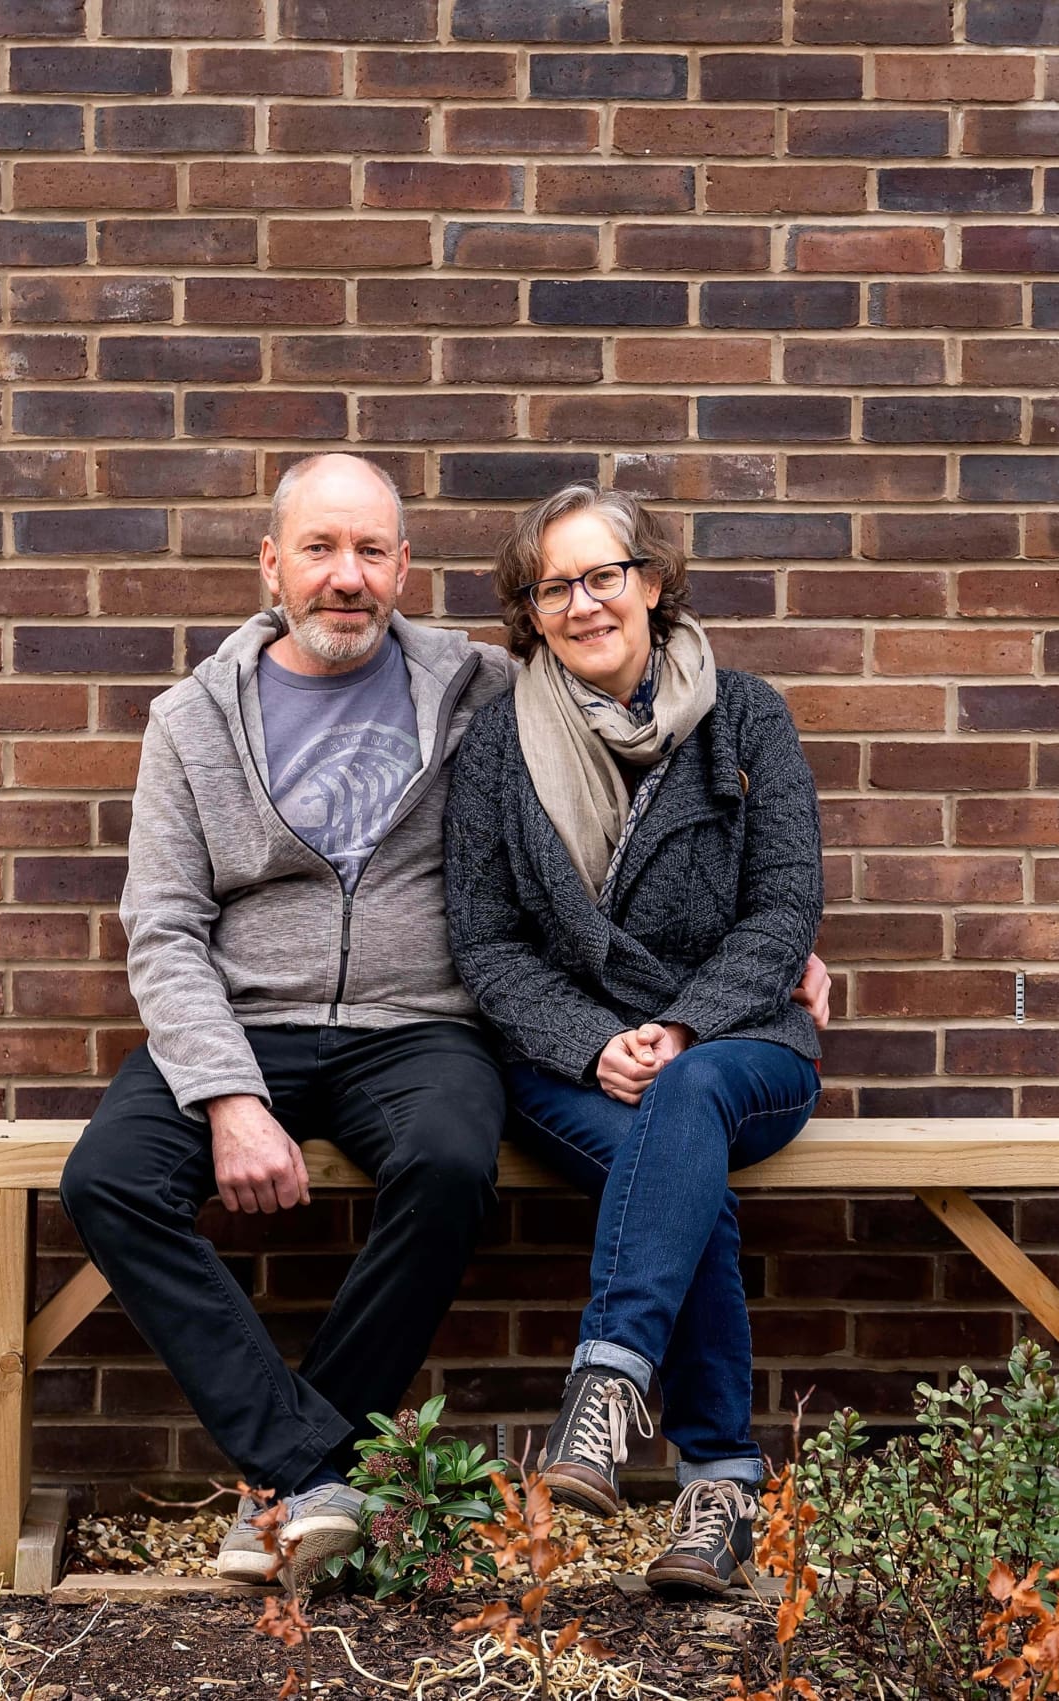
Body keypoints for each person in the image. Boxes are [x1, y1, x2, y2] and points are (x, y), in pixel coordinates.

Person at [61, 454, 829, 1587]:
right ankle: (304, 1469)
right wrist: (227, 1093)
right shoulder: (196, 722)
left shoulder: (480, 687)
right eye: (318, 549)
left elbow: (756, 875)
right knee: (104, 1178)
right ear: (270, 563)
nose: (345, 578)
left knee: (459, 1155)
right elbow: (166, 928)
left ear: (405, 568)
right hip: (260, 1025)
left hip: (417, 1031)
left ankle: (646, 1441)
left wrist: (755, 974)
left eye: (370, 551)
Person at [444, 483, 826, 1598]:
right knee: (676, 1166)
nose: (581, 603)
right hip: (570, 1064)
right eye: (552, 586)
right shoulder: (498, 747)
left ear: (651, 584)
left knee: (689, 1099)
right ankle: (719, 1489)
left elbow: (783, 908)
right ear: (530, 611)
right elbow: (487, 940)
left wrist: (678, 1023)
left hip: (743, 1044)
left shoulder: (747, 717)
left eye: (602, 575)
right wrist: (589, 1042)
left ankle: (604, 1393)